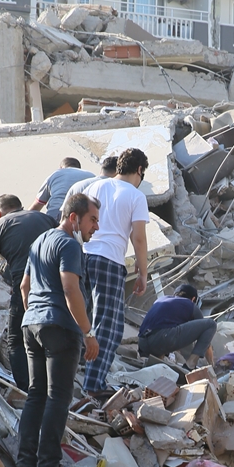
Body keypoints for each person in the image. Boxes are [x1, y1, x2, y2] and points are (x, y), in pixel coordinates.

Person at [15, 192, 101, 467]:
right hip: (60, 327)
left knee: (36, 395)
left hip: (32, 325)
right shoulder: (68, 244)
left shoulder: (40, 242)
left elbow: (25, 286)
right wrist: (87, 332)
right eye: (92, 220)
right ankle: (50, 465)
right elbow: (70, 289)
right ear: (73, 218)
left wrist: (36, 315)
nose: (95, 227)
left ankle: (25, 464)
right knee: (57, 396)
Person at [67, 146, 150, 399]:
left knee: (82, 316)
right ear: (139, 170)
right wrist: (143, 271)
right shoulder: (136, 196)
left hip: (82, 256)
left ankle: (70, 374)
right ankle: (94, 384)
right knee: (110, 326)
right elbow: (139, 238)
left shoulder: (94, 186)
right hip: (110, 261)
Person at [0, 194, 56, 391]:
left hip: (27, 288)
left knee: (16, 341)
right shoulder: (46, 219)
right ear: (21, 207)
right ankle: (53, 388)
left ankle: (27, 391)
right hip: (56, 286)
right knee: (49, 338)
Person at [138, 283, 217, 369]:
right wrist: (212, 364)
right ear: (193, 299)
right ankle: (190, 365)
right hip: (161, 339)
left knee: (168, 330)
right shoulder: (190, 305)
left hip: (143, 343)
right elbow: (206, 344)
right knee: (211, 324)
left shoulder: (161, 300)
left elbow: (184, 336)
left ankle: (155, 363)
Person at [30, 157, 94, 222]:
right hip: (81, 218)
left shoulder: (55, 174)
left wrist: (23, 217)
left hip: (55, 214)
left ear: (60, 167)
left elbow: (37, 205)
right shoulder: (91, 176)